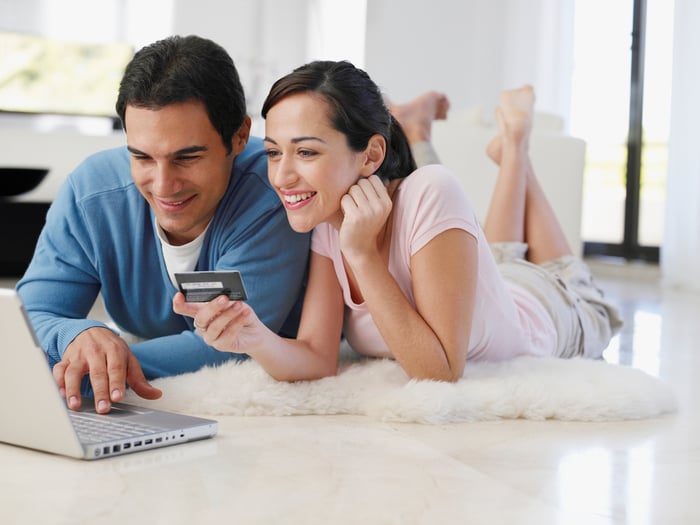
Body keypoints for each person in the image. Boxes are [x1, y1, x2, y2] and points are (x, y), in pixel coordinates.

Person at [173, 60, 622, 383]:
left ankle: (516, 146)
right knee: (501, 256)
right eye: (273, 152)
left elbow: (440, 372)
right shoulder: (324, 218)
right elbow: (316, 357)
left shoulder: (430, 191)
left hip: (556, 307)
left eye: (306, 151)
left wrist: (362, 255)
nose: (282, 176)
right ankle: (493, 147)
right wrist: (252, 336)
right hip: (496, 290)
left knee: (555, 272)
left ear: (370, 155)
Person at [16, 35, 310, 413]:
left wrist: (106, 365)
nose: (163, 184)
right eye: (141, 156)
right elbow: (27, 320)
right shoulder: (91, 193)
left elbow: (228, 341)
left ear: (238, 137)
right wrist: (79, 335)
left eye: (187, 158)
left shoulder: (274, 191)